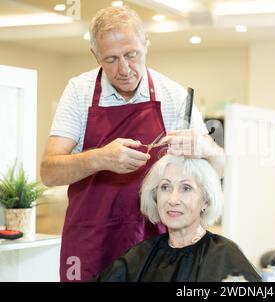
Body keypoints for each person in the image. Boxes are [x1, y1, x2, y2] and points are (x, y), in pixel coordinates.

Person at [40, 6, 225, 282]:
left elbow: (219, 168)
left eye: (131, 55)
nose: (124, 69)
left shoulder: (172, 96)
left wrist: (206, 148)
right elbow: (49, 172)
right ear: (95, 55)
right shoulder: (79, 92)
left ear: (145, 44)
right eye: (111, 59)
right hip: (90, 241)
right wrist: (101, 159)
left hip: (156, 243)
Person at [94, 155, 261, 282]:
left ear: (206, 200)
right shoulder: (140, 256)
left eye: (186, 188)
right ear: (155, 196)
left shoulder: (225, 255)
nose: (173, 200)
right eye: (165, 187)